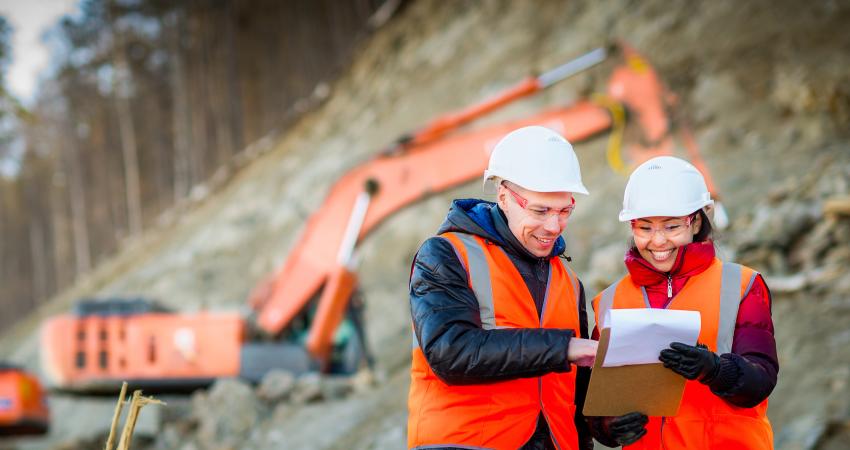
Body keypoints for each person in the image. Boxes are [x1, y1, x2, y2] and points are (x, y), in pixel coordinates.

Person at [407, 126, 599, 450]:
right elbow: (450, 352)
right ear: (504, 196)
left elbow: (574, 399)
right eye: (540, 210)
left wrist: (607, 425)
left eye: (565, 210)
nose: (554, 226)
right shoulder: (446, 254)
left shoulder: (569, 284)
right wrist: (563, 347)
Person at [588, 156, 777, 449]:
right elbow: (596, 400)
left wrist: (714, 369)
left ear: (697, 221)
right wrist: (609, 426)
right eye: (645, 228)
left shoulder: (740, 286)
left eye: (672, 226)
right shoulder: (609, 302)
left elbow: (761, 380)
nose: (658, 241)